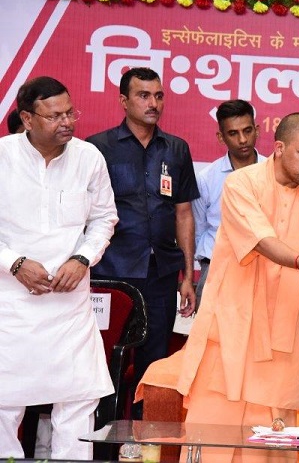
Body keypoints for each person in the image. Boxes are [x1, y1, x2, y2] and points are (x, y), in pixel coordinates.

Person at [177, 113, 299, 463]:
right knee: (211, 440)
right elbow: (262, 241)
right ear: (279, 148)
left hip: (284, 336)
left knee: (273, 447)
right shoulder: (242, 184)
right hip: (231, 330)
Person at [0, 77, 118, 459]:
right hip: (10, 304)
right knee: (3, 401)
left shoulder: (89, 157)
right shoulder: (3, 156)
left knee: (78, 400)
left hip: (69, 304)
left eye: (71, 112)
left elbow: (104, 219)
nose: (67, 121)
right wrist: (14, 263)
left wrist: (82, 258)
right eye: (55, 116)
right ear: (27, 118)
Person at [86, 67, 198, 417]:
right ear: (124, 100)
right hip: (111, 272)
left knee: (155, 359)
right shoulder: (96, 148)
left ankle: (142, 441)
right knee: (105, 358)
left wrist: (187, 277)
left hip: (160, 272)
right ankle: (101, 438)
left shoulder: (176, 149)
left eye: (159, 95)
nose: (153, 103)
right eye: (143, 95)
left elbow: (184, 214)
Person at [192, 99, 263, 310]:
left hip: (262, 269)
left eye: (247, 130)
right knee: (210, 338)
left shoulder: (274, 173)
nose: (243, 139)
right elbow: (198, 229)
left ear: (257, 130)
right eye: (233, 133)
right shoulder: (206, 178)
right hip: (216, 267)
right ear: (221, 137)